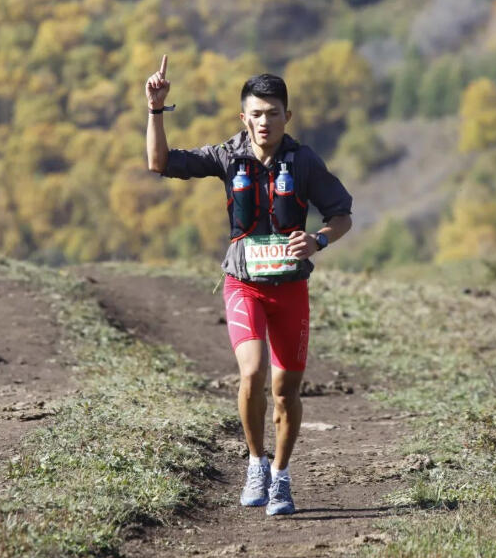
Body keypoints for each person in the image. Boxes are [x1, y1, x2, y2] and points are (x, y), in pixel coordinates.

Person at [146, 55, 352, 516]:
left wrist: (317, 239)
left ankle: (281, 476)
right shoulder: (227, 155)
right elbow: (159, 163)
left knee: (285, 390)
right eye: (255, 114)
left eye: (272, 113)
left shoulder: (304, 163)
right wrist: (156, 110)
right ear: (244, 118)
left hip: (290, 289)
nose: (264, 122)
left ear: (287, 116)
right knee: (253, 372)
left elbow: (342, 215)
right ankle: (255, 463)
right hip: (243, 283)